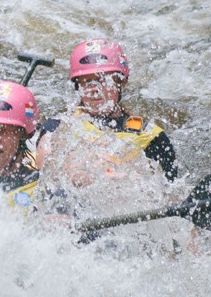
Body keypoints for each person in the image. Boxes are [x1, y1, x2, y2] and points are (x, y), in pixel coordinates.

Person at [36, 38, 178, 187]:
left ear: (121, 82)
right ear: (78, 86)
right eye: (86, 81)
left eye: (102, 80)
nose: (93, 88)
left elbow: (170, 190)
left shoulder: (149, 136)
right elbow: (45, 161)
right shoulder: (61, 123)